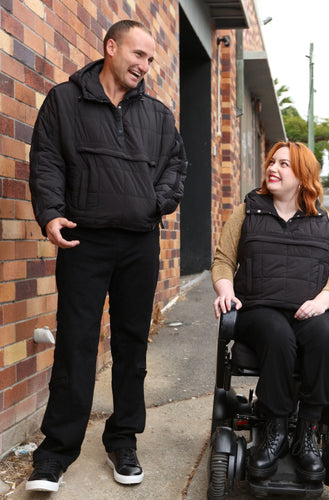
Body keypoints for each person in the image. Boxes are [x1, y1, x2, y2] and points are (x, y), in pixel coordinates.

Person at [27, 20, 187, 492]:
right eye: (138, 55)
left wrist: (152, 204)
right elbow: (47, 160)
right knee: (75, 344)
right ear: (110, 47)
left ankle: (123, 439)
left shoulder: (157, 115)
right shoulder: (64, 100)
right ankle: (55, 451)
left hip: (138, 244)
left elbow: (176, 167)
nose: (144, 66)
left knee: (131, 345)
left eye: (150, 60)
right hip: (83, 241)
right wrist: (51, 214)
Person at [211, 141, 329, 483]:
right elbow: (224, 260)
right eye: (272, 162)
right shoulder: (247, 212)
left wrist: (324, 301)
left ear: (303, 177)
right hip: (259, 310)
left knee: (326, 333)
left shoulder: (324, 222)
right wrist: (225, 291)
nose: (274, 168)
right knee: (277, 334)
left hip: (308, 311)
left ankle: (307, 432)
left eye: (284, 164)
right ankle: (274, 430)